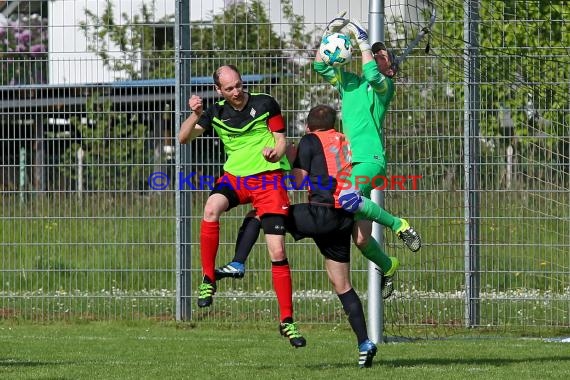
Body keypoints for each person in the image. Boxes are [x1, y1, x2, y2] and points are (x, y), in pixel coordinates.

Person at [219, 105, 378, 367]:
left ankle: (237, 262)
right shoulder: (343, 140)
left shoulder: (309, 141)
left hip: (320, 212)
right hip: (342, 218)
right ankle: (364, 342)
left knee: (261, 214)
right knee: (342, 284)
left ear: (308, 126)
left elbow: (298, 181)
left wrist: (291, 156)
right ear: (334, 125)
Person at [178, 64, 305, 348]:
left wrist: (276, 153)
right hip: (236, 179)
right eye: (230, 88)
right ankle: (208, 278)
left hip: (269, 181)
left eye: (239, 85)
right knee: (211, 209)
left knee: (277, 250)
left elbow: (283, 141)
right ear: (218, 90)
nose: (237, 92)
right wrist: (196, 115)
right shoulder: (215, 112)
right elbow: (183, 138)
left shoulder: (265, 103)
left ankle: (287, 321)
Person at [311, 13, 422, 295]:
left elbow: (373, 73)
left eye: (381, 55)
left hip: (370, 160)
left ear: (391, 68)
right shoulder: (349, 83)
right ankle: (388, 265)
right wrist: (328, 36)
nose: (375, 56)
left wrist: (362, 41)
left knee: (345, 197)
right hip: (352, 164)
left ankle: (400, 225)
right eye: (373, 53)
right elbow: (318, 65)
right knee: (361, 239)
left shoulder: (383, 87)